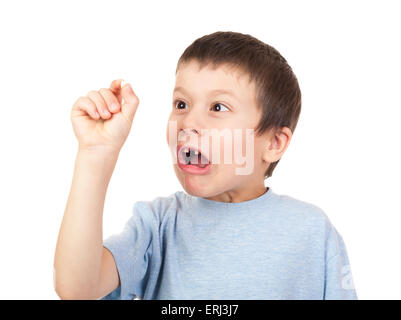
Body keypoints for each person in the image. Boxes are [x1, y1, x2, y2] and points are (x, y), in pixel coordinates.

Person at [54, 31, 357, 300]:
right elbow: (76, 289)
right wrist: (95, 154)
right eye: (181, 104)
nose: (189, 122)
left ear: (274, 143)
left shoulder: (312, 231)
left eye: (218, 107)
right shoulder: (157, 225)